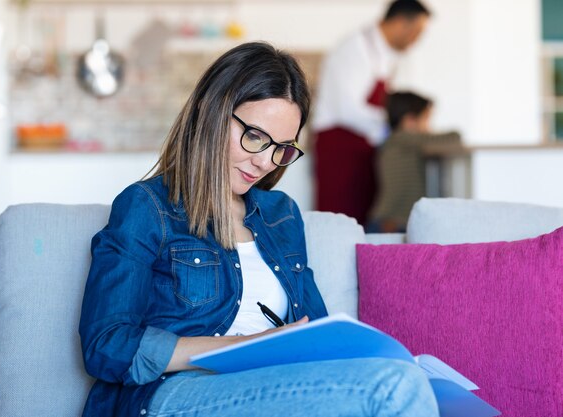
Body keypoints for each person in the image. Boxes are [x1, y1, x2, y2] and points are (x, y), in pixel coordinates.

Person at [79, 42, 439, 417]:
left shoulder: (281, 215)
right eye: (255, 137)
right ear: (212, 112)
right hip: (173, 395)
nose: (265, 161)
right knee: (395, 386)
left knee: (408, 379)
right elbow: (107, 346)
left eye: (281, 148)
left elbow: (314, 331)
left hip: (272, 391)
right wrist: (251, 345)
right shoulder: (147, 206)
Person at [313, 0, 431, 226]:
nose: (415, 40)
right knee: (339, 221)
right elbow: (346, 108)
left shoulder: (388, 56)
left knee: (363, 222)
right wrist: (392, 125)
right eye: (416, 32)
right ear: (399, 23)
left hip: (365, 149)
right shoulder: (353, 48)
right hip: (340, 148)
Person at [368, 91, 461, 233]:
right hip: (391, 224)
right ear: (410, 121)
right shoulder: (403, 139)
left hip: (389, 222)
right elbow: (454, 137)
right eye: (427, 118)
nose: (430, 127)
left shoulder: (396, 142)